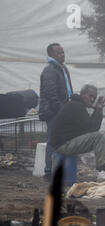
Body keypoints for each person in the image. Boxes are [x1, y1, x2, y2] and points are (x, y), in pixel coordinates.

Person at [50, 84, 105, 176]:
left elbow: (90, 126)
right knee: (100, 136)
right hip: (63, 145)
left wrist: (97, 108)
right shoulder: (76, 106)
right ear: (83, 95)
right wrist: (98, 108)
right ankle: (103, 170)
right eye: (90, 96)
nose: (92, 99)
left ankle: (104, 168)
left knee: (102, 135)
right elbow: (93, 127)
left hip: (63, 143)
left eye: (94, 97)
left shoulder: (75, 104)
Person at [39, 43, 73, 181]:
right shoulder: (50, 70)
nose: (62, 55)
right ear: (51, 54)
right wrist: (62, 110)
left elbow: (67, 89)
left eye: (63, 52)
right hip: (54, 111)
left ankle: (59, 170)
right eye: (59, 53)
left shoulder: (61, 68)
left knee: (61, 140)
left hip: (62, 109)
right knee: (52, 140)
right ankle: (48, 172)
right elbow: (51, 94)